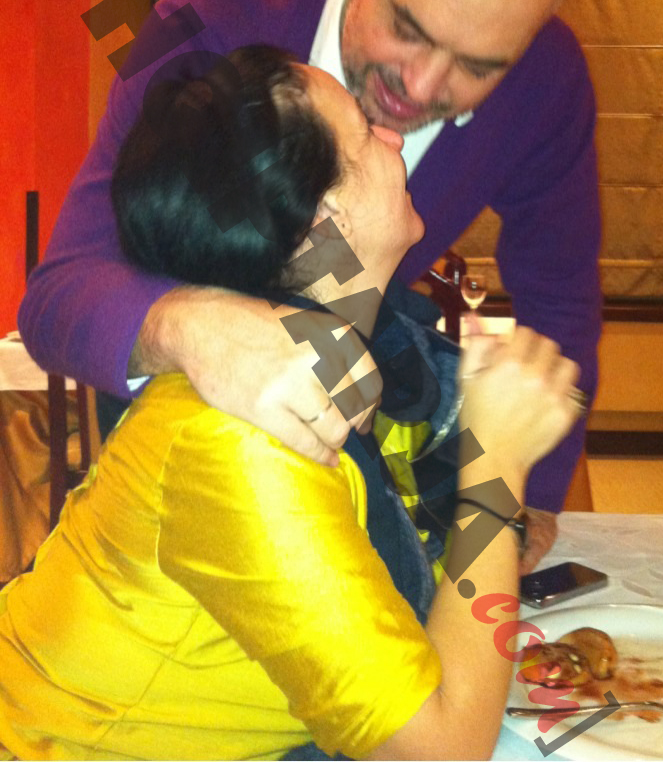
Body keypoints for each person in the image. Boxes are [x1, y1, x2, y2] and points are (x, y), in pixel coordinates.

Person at [18, 0, 601, 570]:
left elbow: (561, 299)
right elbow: (59, 294)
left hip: (350, 464)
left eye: (478, 68)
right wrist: (194, 325)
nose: (419, 88)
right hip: (176, 474)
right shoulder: (208, 27)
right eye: (407, 27)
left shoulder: (546, 82)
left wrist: (535, 494)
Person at [0, 49, 582, 761]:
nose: (393, 137)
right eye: (365, 132)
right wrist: (496, 472)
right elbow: (440, 750)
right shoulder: (241, 443)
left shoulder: (363, 356)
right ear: (324, 223)